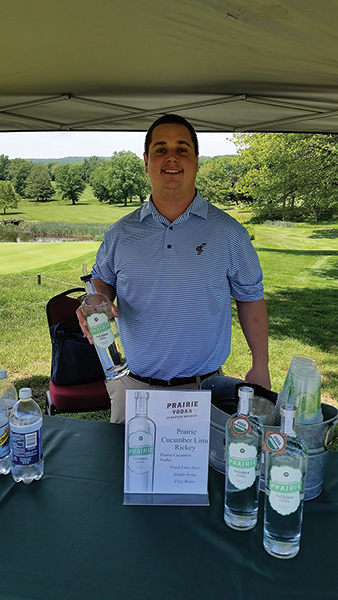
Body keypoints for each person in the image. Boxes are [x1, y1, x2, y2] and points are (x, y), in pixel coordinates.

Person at [77, 114, 271, 423]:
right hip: (132, 389)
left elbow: (251, 297)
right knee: (125, 472)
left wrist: (260, 365)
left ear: (196, 160)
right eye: (160, 149)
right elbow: (103, 282)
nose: (171, 157)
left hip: (204, 393)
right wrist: (93, 300)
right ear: (146, 161)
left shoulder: (229, 233)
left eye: (182, 149)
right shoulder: (120, 234)